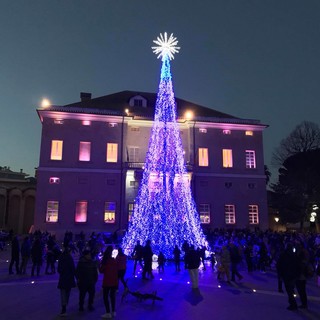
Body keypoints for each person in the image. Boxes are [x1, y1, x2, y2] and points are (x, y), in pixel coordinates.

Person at [277, 242, 300, 311]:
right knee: (290, 289)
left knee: (289, 290)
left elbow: (279, 265)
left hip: (287, 275)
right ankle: (292, 303)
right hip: (293, 275)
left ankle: (293, 304)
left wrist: (280, 274)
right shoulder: (294, 255)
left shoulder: (284, 255)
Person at [100, 245, 118, 318]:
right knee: (112, 296)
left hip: (107, 281)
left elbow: (101, 270)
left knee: (105, 297)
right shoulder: (114, 261)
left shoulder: (105, 262)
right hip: (114, 281)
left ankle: (108, 312)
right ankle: (113, 311)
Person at [57, 245, 76, 316]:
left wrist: (62, 272)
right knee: (67, 292)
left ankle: (63, 307)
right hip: (69, 278)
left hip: (63, 278)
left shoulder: (61, 257)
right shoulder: (70, 258)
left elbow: (59, 269)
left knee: (63, 293)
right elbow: (73, 269)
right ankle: (65, 305)